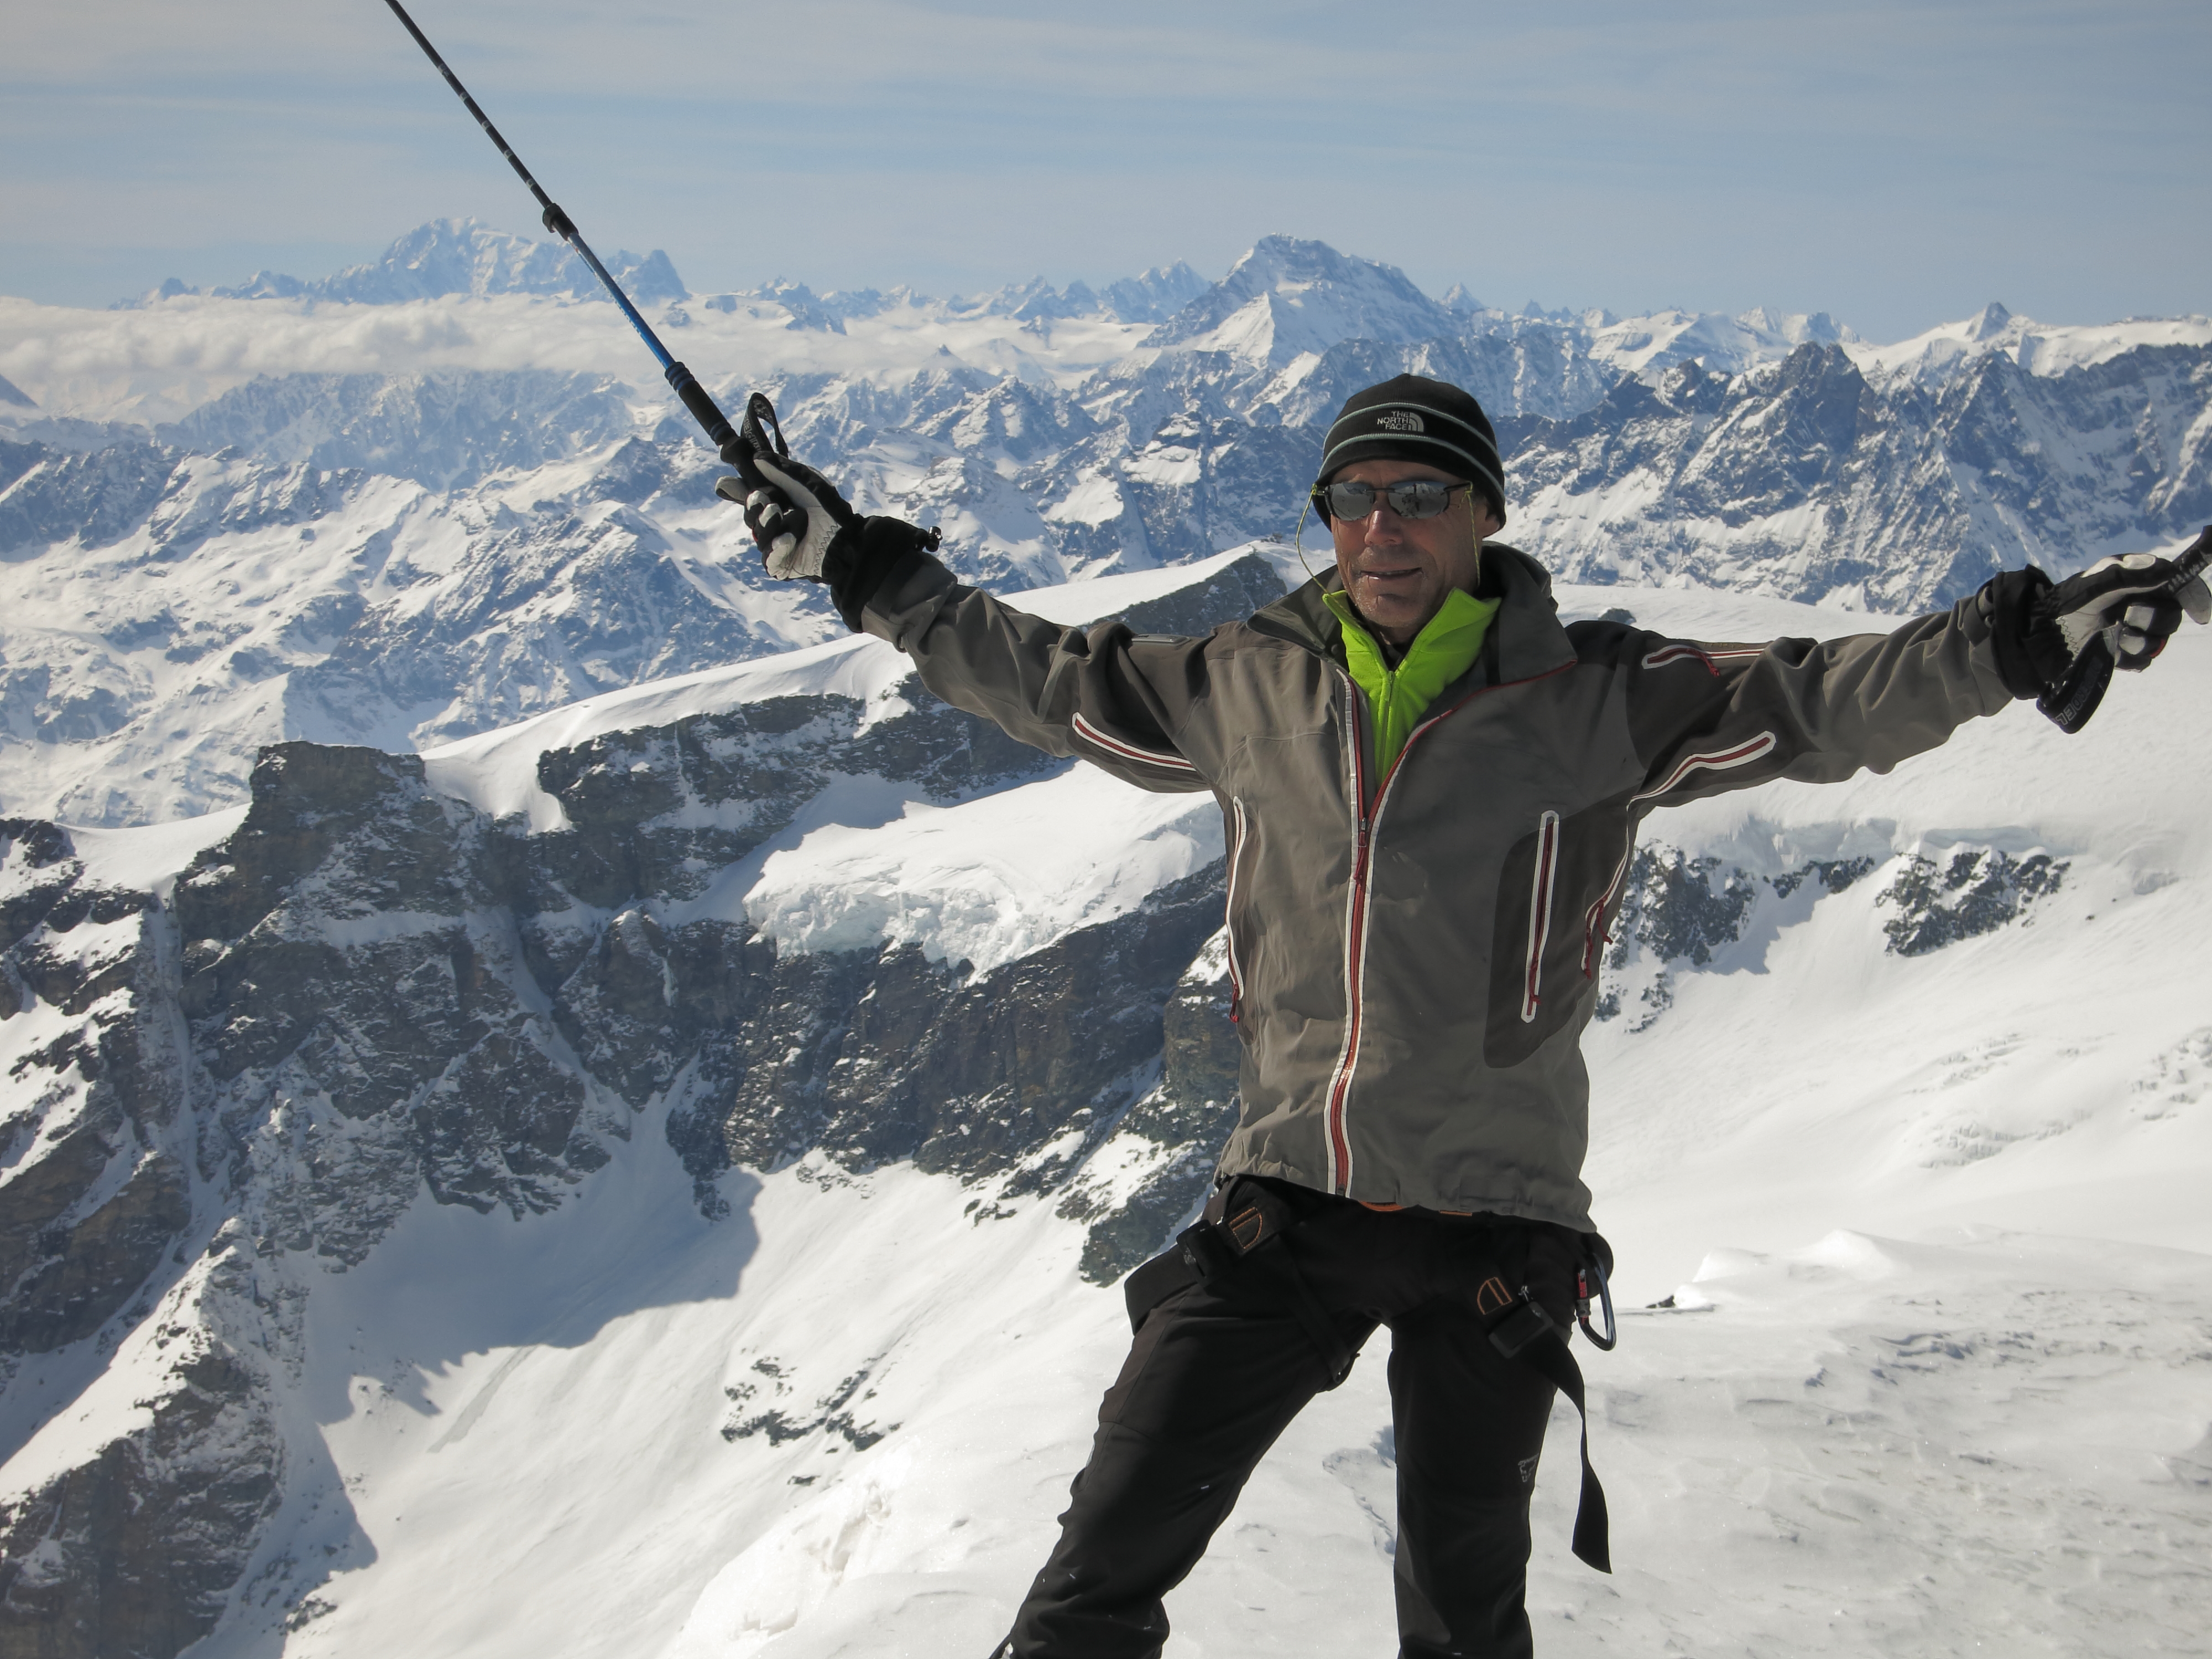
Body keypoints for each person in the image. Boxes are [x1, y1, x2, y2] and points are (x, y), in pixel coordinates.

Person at [714, 374, 2209, 1659]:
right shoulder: (1248, 682)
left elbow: (1820, 701)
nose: (1384, 525)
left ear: (1484, 514)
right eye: (1353, 497)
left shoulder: (1597, 697)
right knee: (1096, 1570)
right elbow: (1049, 682)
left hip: (1495, 1233)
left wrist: (2016, 642)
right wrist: (862, 569)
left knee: (1463, 1612)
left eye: (1421, 495)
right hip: (1287, 1206)